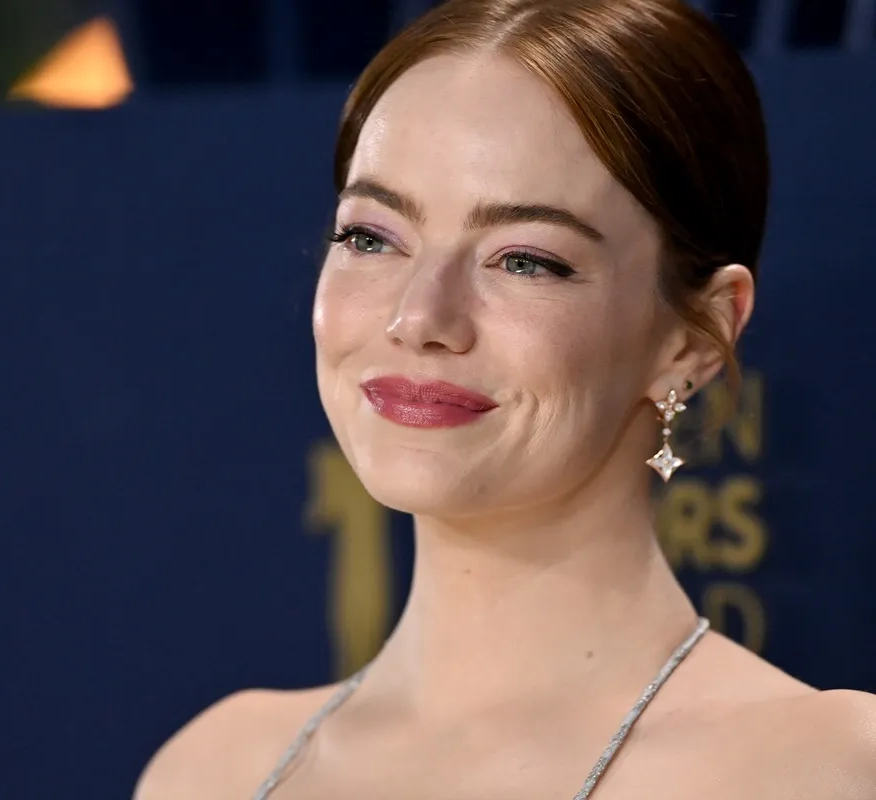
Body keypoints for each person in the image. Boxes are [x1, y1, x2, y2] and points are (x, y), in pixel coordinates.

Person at [135, 0, 876, 797]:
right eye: (371, 237)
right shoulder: (212, 769)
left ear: (693, 336)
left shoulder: (825, 766)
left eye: (525, 261)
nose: (419, 318)